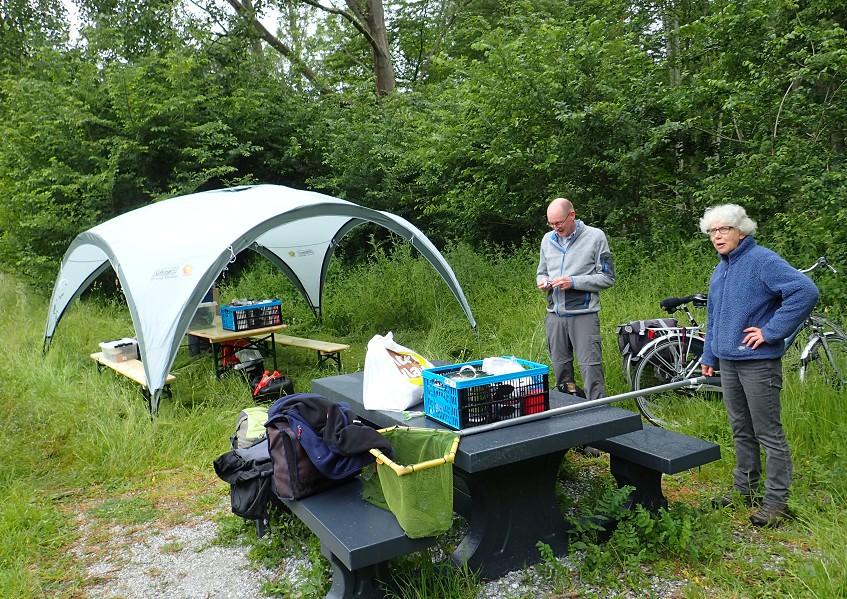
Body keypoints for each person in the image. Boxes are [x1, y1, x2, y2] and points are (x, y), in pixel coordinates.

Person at [698, 204, 818, 527]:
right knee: (741, 429)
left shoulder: (761, 260)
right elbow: (713, 316)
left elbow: (805, 291)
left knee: (768, 432)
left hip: (758, 364)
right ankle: (745, 490)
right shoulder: (720, 268)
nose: (718, 236)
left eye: (724, 229)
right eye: (712, 231)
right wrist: (709, 355)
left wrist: (771, 331)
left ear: (741, 231)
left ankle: (776, 502)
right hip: (728, 361)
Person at [537, 197, 615, 400]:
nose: (555, 228)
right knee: (560, 367)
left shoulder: (596, 237)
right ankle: (568, 409)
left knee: (591, 369)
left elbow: (607, 278)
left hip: (584, 315)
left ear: (572, 215)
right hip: (554, 315)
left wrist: (573, 282)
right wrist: (543, 281)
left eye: (559, 223)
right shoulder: (547, 239)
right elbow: (541, 272)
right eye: (551, 224)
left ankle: (599, 412)